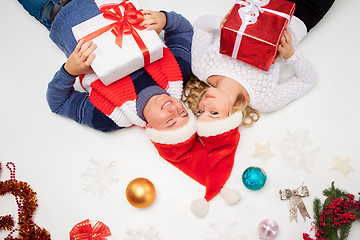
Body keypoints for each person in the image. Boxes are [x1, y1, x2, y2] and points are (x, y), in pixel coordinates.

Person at [16, 0, 242, 218]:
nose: (174, 110)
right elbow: (183, 31)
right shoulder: (178, 73)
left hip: (55, 11)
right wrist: (164, 19)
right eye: (183, 113)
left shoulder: (109, 115)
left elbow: (58, 102)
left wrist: (70, 70)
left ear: (151, 129)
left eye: (170, 121)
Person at [183, 0, 335, 124]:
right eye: (214, 113)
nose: (205, 105)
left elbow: (201, 25)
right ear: (231, 116)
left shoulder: (201, 68)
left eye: (200, 111)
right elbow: (307, 80)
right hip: (302, 14)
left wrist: (224, 25)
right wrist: (290, 55)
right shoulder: (264, 100)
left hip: (262, 3)